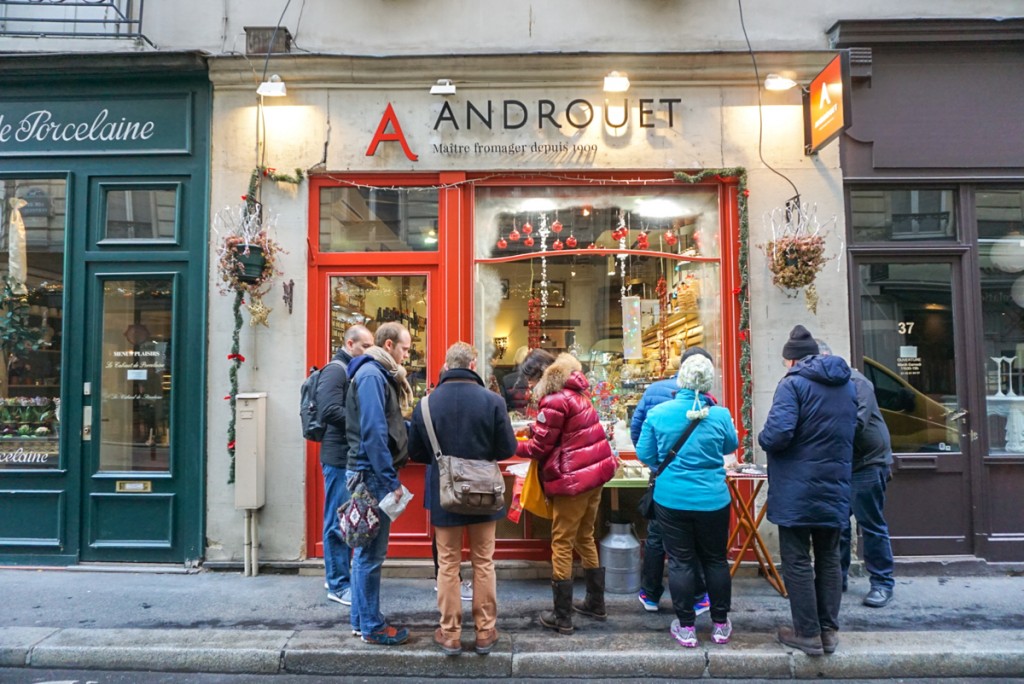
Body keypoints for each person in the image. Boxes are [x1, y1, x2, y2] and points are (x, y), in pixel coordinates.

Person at [408, 342, 518, 656]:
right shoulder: (493, 401)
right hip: (483, 493)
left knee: (448, 565)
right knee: (484, 563)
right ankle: (485, 632)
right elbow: (507, 449)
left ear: (446, 366)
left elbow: (416, 453)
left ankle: (450, 633)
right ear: (472, 365)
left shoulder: (427, 404)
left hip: (444, 494)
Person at [757, 325, 860, 657]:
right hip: (835, 485)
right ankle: (828, 631)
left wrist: (763, 439)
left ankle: (807, 633)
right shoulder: (846, 386)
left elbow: (777, 435)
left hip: (797, 489)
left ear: (791, 360)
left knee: (797, 559)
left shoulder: (793, 385)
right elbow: (854, 429)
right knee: (829, 557)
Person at [635, 353, 739, 648]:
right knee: (716, 560)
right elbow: (730, 445)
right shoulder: (719, 414)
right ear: (707, 382)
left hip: (672, 498)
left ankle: (687, 627)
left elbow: (644, 453)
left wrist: (664, 469)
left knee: (680, 561)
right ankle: (720, 624)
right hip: (713, 498)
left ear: (680, 379)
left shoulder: (660, 413)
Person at [515, 349, 617, 635]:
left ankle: (562, 617)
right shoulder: (576, 391)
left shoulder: (555, 398)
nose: (530, 387)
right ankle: (596, 603)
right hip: (595, 475)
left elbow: (539, 448)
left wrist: (511, 445)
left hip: (573, 480)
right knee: (584, 536)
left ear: (540, 375)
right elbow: (568, 433)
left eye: (530, 380)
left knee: (561, 542)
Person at [629, 346, 716, 617]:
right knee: (698, 540)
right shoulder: (708, 401)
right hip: (702, 481)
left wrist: (657, 464)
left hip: (664, 476)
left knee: (656, 535)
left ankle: (651, 593)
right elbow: (722, 441)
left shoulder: (655, 391)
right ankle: (700, 597)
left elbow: (637, 429)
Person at [345, 322, 414, 646]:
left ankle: (362, 621)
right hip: (371, 475)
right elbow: (374, 432)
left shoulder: (375, 374)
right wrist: (389, 481)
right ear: (389, 345)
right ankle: (371, 626)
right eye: (405, 348)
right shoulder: (373, 376)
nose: (407, 355)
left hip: (369, 472)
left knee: (365, 554)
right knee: (371, 555)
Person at [816, 339, 896, 608]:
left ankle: (882, 583)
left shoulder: (858, 383)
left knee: (871, 523)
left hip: (868, 462)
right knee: (837, 522)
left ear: (826, 358)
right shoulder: (826, 385)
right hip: (844, 461)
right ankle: (837, 578)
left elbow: (855, 423)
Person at [318, 324, 374, 608]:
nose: (369, 351)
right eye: (365, 346)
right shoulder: (336, 370)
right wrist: (362, 419)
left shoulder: (349, 370)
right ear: (350, 344)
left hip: (346, 455)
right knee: (337, 521)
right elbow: (328, 409)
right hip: (338, 457)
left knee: (344, 519)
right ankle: (338, 584)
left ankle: (338, 576)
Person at [501, 345, 531, 412]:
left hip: (513, 417)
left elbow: (503, 403)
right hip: (532, 417)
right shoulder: (534, 378)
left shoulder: (506, 379)